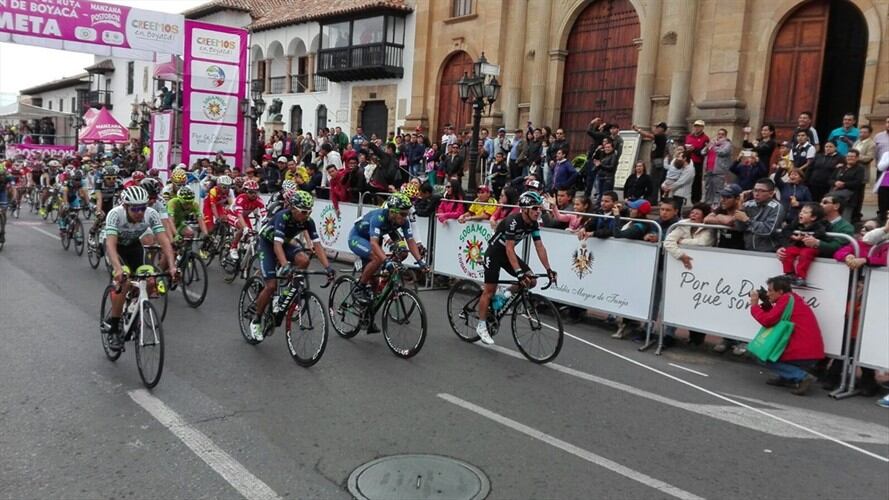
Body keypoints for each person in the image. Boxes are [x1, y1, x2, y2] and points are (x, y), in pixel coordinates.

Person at [249, 190, 335, 341]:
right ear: (294, 208)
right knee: (271, 286)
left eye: (309, 211)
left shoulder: (308, 222)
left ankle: (284, 296)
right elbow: (276, 245)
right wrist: (284, 265)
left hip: (284, 243)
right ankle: (256, 320)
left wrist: (327, 267)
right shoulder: (283, 216)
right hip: (267, 244)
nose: (307, 215)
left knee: (304, 260)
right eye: (304, 211)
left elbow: (317, 245)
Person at [102, 186, 178, 350]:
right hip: (115, 248)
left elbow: (164, 240)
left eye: (143, 207)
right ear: (125, 206)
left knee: (150, 281)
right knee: (125, 282)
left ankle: (133, 306)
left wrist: (172, 266)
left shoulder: (151, 214)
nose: (140, 212)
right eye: (135, 209)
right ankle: (114, 327)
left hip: (134, 246)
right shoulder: (115, 214)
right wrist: (118, 269)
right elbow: (110, 244)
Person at [476, 191, 556, 345]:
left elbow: (539, 246)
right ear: (525, 209)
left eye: (540, 208)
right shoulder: (513, 221)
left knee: (531, 280)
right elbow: (509, 248)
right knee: (489, 291)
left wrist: (549, 269)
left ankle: (505, 294)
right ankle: (481, 325)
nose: (538, 211)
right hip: (494, 254)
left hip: (507, 254)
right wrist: (519, 272)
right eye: (535, 208)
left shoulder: (533, 224)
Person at [348, 192, 428, 306]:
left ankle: (382, 279)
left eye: (406, 214)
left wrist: (421, 262)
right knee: (377, 258)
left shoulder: (402, 221)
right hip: (358, 237)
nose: (405, 217)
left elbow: (410, 241)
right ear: (393, 211)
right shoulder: (379, 217)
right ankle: (360, 287)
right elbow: (374, 243)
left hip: (383, 233)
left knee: (403, 252)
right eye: (403, 214)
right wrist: (386, 261)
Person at [749, 275, 824, 396]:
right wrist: (767, 304)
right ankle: (787, 377)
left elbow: (767, 320)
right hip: (810, 351)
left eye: (770, 291)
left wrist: (754, 306)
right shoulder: (792, 298)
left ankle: (801, 376)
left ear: (780, 291)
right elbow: (776, 316)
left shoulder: (785, 299)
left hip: (803, 352)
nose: (768, 294)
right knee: (773, 352)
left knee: (761, 354)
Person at [663, 202, 715, 345]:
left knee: (698, 302)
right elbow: (668, 242)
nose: (693, 215)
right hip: (681, 270)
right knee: (676, 301)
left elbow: (703, 242)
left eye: (697, 213)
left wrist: (682, 241)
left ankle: (696, 338)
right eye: (692, 212)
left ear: (704, 216)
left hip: (702, 271)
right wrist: (681, 255)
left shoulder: (709, 227)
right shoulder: (682, 225)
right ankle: (669, 334)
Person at [777, 202, 830, 287]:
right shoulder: (796, 222)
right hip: (799, 246)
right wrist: (792, 236)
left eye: (805, 212)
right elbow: (786, 230)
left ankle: (801, 277)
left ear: (813, 217)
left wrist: (807, 236)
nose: (801, 214)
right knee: (788, 251)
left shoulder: (820, 225)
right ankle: (789, 274)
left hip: (811, 247)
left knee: (805, 254)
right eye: (801, 211)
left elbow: (821, 233)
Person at [735, 178, 784, 252]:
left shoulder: (776, 207)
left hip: (768, 251)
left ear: (771, 193)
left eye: (762, 191)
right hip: (748, 249)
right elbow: (740, 228)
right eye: (755, 190)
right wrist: (740, 206)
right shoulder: (748, 204)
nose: (757, 194)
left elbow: (768, 230)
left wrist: (747, 220)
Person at [226, 179, 265, 260]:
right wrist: (245, 228)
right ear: (245, 191)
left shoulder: (259, 200)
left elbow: (265, 215)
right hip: (232, 214)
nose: (254, 194)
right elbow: (239, 215)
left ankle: (243, 247)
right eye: (251, 192)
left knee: (251, 234)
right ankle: (233, 248)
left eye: (256, 192)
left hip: (244, 217)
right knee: (242, 228)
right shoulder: (241, 199)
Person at [632, 122, 668, 201]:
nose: (656, 129)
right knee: (656, 180)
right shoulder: (658, 137)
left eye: (658, 127)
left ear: (662, 129)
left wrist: (638, 130)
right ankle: (656, 198)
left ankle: (653, 199)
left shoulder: (661, 136)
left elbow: (648, 135)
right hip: (656, 160)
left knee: (654, 180)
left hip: (657, 161)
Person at [829, 149, 865, 222]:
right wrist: (835, 183)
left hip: (849, 198)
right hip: (835, 197)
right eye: (848, 156)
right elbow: (830, 179)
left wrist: (844, 184)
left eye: (852, 156)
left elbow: (857, 182)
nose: (849, 158)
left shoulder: (860, 169)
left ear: (857, 158)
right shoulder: (840, 167)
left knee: (845, 219)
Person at [685, 120, 710, 203]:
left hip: (697, 161)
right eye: (695, 126)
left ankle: (696, 199)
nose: (696, 128)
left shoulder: (705, 138)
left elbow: (703, 152)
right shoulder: (688, 136)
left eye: (699, 126)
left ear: (702, 128)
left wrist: (694, 149)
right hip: (687, 160)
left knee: (696, 180)